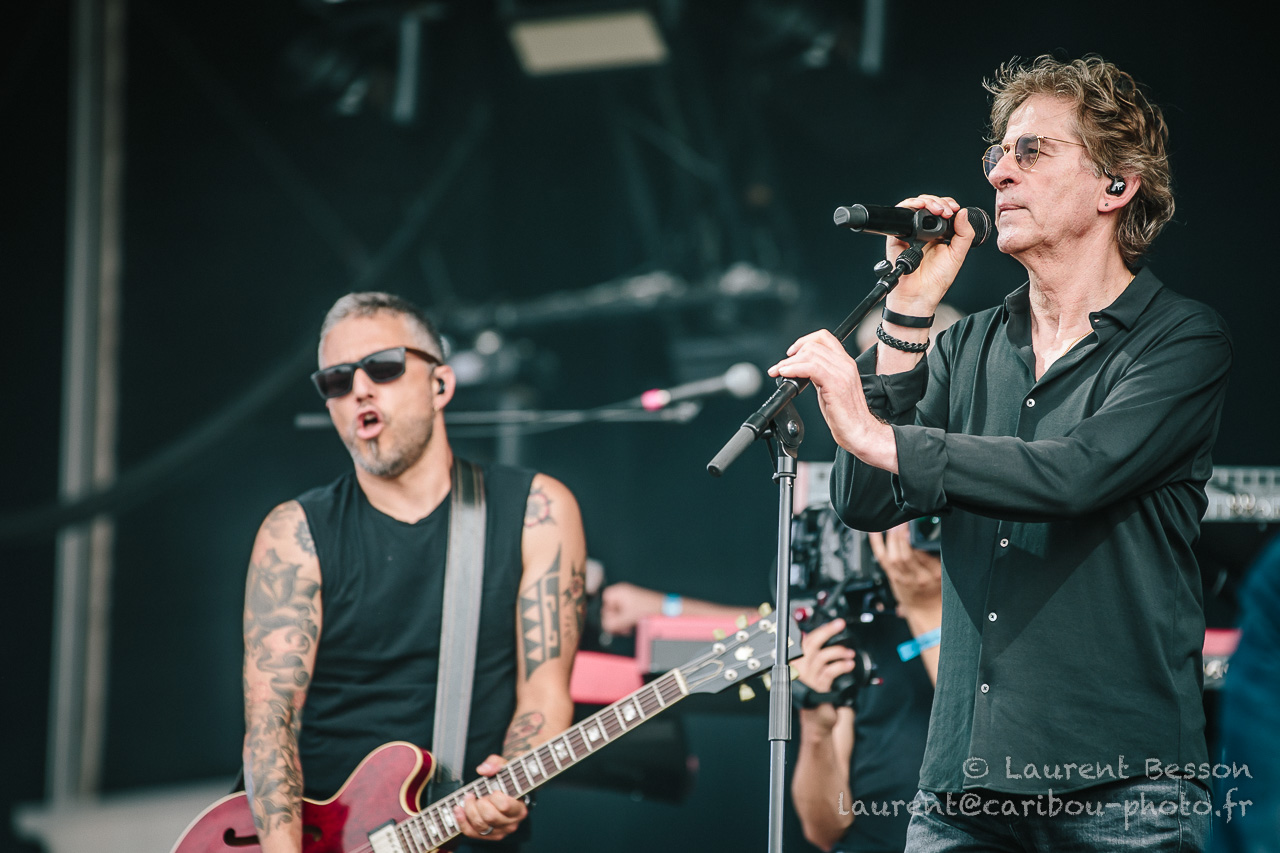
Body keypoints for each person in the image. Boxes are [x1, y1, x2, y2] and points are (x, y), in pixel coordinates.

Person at [769, 54, 1232, 851]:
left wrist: (875, 431)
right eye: (997, 154)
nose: (999, 174)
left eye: (1031, 151)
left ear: (1116, 185)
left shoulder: (1180, 340)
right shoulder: (970, 345)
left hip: (1125, 788)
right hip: (962, 788)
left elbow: (1075, 473)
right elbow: (866, 502)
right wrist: (909, 313)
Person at [241, 292, 587, 853]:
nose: (359, 389)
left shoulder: (536, 510)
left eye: (383, 367)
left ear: (441, 384)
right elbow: (269, 726)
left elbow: (545, 691)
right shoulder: (294, 534)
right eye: (336, 380)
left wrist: (513, 784)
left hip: (460, 834)